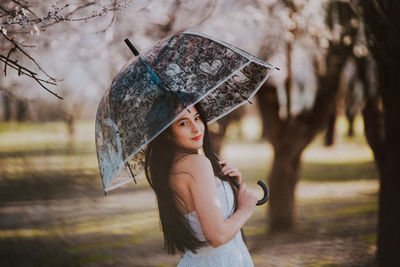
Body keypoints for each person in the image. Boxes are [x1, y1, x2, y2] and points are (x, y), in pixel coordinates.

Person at [144, 103, 258, 266]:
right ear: (167, 133)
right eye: (183, 123)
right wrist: (245, 210)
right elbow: (217, 236)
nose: (196, 128)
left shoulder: (174, 169)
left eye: (197, 118)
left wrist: (232, 188)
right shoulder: (197, 164)